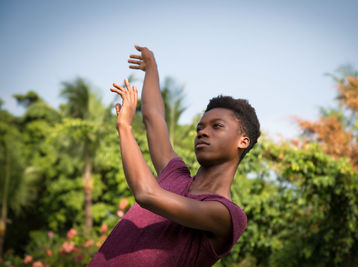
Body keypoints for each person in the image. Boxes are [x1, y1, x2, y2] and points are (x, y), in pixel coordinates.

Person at [88, 45, 260, 266]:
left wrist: (125, 128)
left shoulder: (227, 215)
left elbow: (147, 194)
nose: (203, 132)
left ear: (242, 141)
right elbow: (153, 117)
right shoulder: (174, 175)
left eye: (217, 126)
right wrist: (151, 68)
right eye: (200, 128)